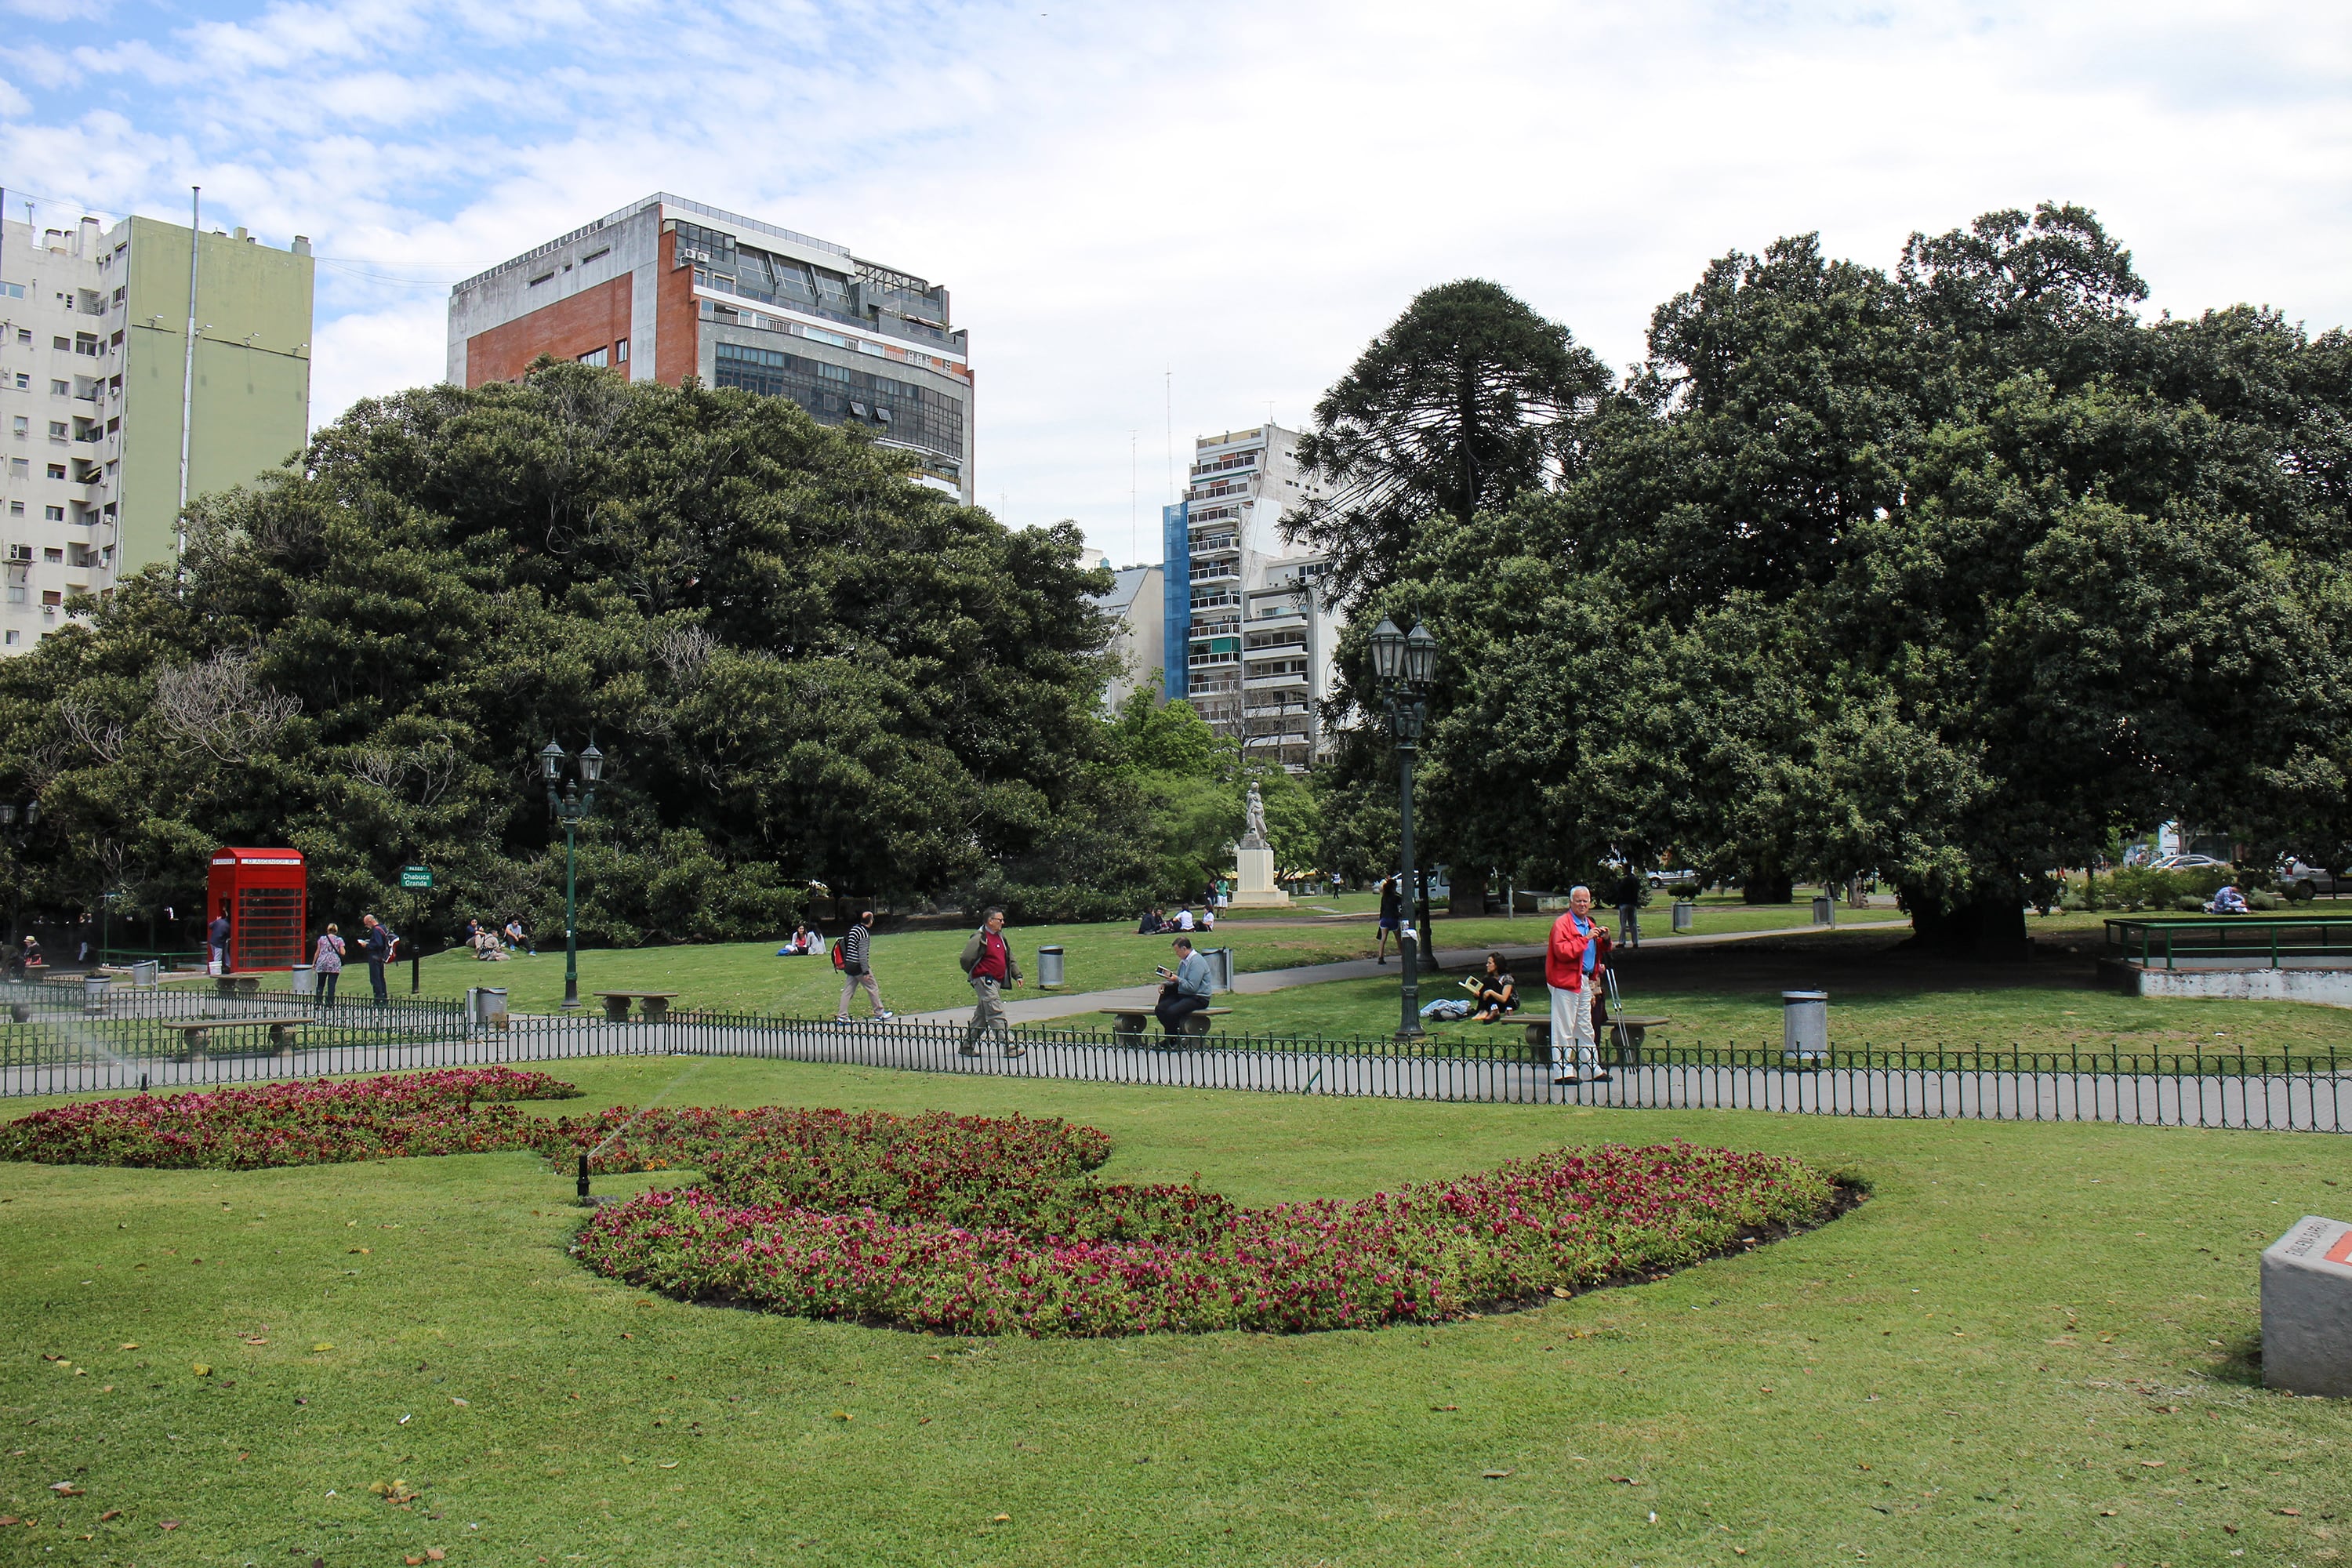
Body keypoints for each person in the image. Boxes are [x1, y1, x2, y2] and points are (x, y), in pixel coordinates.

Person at [1544, 885, 1609, 1086]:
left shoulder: (1588, 923)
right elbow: (1562, 951)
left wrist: (1604, 939)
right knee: (1564, 1026)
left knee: (1585, 1025)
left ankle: (1592, 1067)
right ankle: (1562, 1070)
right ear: (1571, 902)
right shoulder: (1562, 924)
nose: (1583, 904)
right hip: (1565, 981)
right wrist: (1586, 938)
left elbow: (1595, 951)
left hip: (1584, 980)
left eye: (1586, 901)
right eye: (1579, 901)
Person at [957, 907, 1025, 1057]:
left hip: (996, 981)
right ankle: (1010, 1047)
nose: (1003, 922)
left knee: (982, 1015)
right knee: (995, 1011)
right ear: (990, 921)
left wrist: (1017, 975)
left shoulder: (1000, 937)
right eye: (999, 920)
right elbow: (965, 959)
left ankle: (967, 1046)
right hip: (984, 981)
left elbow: (1009, 957)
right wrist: (976, 973)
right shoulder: (980, 938)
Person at [835, 910, 892, 1022]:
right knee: (872, 987)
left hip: (849, 965)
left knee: (848, 991)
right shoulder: (864, 934)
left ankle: (842, 1016)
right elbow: (862, 954)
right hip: (858, 966)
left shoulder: (854, 929)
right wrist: (865, 971)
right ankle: (879, 1013)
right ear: (870, 921)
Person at [1155, 935, 1214, 1040]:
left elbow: (1192, 987)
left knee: (1172, 1011)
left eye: (1177, 951)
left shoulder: (1196, 962)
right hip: (1184, 994)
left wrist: (1176, 979)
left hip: (1198, 997)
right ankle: (1175, 1036)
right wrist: (1167, 983)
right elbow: (1181, 981)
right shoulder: (1184, 962)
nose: (1177, 954)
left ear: (1184, 949)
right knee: (1160, 1009)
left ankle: (1174, 1039)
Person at [1471, 951, 1518, 1023]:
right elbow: (1484, 995)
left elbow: (1504, 999)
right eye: (1487, 963)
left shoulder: (1507, 978)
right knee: (1487, 981)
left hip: (1509, 1003)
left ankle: (1485, 1011)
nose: (1487, 965)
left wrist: (1491, 992)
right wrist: (1477, 995)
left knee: (1490, 981)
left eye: (1490, 963)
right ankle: (1482, 1010)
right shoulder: (1488, 977)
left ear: (1497, 965)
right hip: (1495, 1003)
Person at [360, 913, 394, 1006]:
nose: (367, 926)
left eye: (366, 924)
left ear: (370, 921)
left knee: (375, 979)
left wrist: (367, 945)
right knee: (381, 978)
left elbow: (378, 944)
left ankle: (378, 1000)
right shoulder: (383, 927)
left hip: (375, 956)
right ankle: (384, 998)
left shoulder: (376, 930)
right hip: (381, 956)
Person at [312, 924, 344, 1008]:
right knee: (331, 984)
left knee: (320, 984)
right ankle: (330, 1003)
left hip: (322, 962)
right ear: (336, 931)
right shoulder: (339, 940)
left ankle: (318, 1003)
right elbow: (342, 952)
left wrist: (314, 963)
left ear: (328, 930)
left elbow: (318, 951)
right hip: (334, 963)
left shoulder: (322, 939)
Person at [1377, 875, 1401, 964]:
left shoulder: (1384, 897)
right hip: (1393, 919)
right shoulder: (1396, 897)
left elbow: (1382, 909)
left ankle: (1381, 957)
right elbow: (1402, 904)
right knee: (1398, 939)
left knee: (1383, 939)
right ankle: (1403, 956)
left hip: (1384, 919)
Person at [208, 904, 232, 975]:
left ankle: (223, 967)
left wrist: (216, 920)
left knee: (215, 955)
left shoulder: (218, 921)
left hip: (212, 941)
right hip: (219, 943)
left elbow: (210, 926)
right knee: (217, 958)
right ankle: (216, 972)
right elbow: (228, 936)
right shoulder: (228, 926)